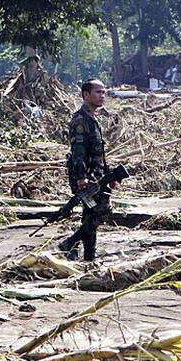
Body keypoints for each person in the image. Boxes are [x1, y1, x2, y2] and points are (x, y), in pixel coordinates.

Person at [59, 79, 120, 261]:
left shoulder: (93, 119)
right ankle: (70, 241)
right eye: (98, 92)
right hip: (88, 179)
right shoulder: (80, 120)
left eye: (104, 92)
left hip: (98, 176)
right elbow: (78, 152)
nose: (102, 96)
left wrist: (109, 176)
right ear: (86, 95)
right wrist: (81, 178)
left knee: (89, 215)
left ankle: (89, 257)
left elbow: (99, 153)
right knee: (102, 211)